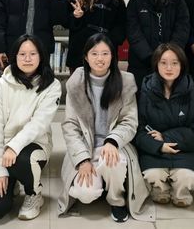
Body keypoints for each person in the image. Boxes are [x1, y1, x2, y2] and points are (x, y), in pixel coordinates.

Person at [58, 33, 152, 223]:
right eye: (94, 54)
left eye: (105, 53)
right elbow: (70, 126)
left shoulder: (125, 81)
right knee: (85, 194)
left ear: (112, 56)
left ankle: (116, 199)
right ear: (86, 57)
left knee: (112, 162)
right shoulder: (76, 83)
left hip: (115, 145)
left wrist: (112, 141)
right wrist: (82, 160)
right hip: (86, 146)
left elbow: (129, 121)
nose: (100, 59)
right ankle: (101, 184)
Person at [0, 34, 61, 221]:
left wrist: (13, 146)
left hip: (35, 145)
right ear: (14, 57)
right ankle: (13, 179)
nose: (27, 59)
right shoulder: (0, 85)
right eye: (22, 54)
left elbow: (38, 124)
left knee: (24, 159)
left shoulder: (52, 85)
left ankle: (34, 194)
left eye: (33, 54)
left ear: (41, 56)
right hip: (4, 151)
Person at [134, 43, 194, 207]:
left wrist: (166, 137)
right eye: (163, 63)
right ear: (156, 64)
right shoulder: (145, 94)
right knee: (153, 174)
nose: (169, 68)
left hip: (184, 149)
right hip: (155, 149)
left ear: (182, 65)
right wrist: (158, 146)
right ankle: (160, 189)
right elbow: (138, 129)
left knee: (186, 176)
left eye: (174, 63)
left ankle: (180, 192)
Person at [127, 0, 190, 89]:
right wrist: (150, 56)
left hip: (171, 60)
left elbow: (182, 27)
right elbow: (133, 30)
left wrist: (171, 53)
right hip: (142, 60)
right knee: (141, 94)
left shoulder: (177, 0)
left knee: (169, 94)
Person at [67, 0, 126, 72]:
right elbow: (66, 22)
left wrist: (109, 40)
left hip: (106, 52)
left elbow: (122, 25)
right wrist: (76, 16)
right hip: (80, 52)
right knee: (79, 83)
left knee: (107, 83)